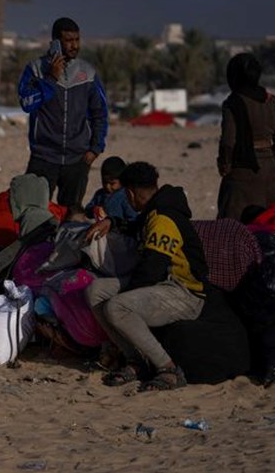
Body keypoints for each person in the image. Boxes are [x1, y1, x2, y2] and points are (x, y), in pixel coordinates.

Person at [85, 162, 209, 391]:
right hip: (162, 284)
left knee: (116, 307)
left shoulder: (163, 219)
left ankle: (168, 368)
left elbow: (152, 270)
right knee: (95, 291)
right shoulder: (152, 211)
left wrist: (125, 295)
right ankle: (136, 360)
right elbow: (134, 227)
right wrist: (112, 221)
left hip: (184, 292)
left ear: (130, 193)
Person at [18, 17, 109, 208]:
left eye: (77, 40)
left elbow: (100, 113)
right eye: (69, 41)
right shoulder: (35, 69)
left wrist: (95, 148)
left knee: (70, 214)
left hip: (78, 159)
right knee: (34, 210)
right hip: (43, 156)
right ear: (55, 43)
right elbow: (27, 104)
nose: (75, 45)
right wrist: (51, 78)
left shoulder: (88, 72)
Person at [217, 52, 275, 221]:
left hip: (241, 171)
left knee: (232, 226)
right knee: (268, 224)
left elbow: (228, 141)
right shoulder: (270, 100)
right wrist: (272, 160)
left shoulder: (232, 102)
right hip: (268, 173)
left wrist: (225, 166)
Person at [84, 156, 137, 225]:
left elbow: (133, 219)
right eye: (104, 182)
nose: (107, 186)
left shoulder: (126, 197)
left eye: (112, 183)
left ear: (122, 180)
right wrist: (93, 210)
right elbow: (88, 210)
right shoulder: (100, 194)